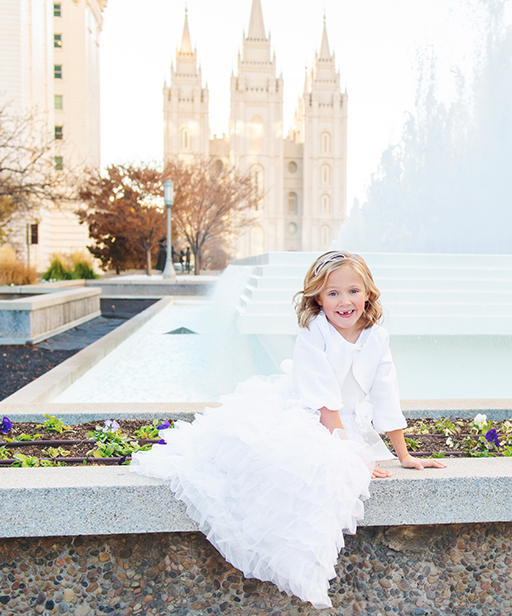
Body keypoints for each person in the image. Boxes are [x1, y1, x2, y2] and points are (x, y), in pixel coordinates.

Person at [130, 250, 445, 609]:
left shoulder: (377, 336)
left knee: (342, 468)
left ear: (369, 293)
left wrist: (403, 454)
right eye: (333, 293)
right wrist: (348, 453)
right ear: (317, 298)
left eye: (353, 291)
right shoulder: (315, 331)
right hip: (309, 416)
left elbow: (387, 392)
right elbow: (325, 400)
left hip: (345, 425)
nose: (345, 302)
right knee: (310, 470)